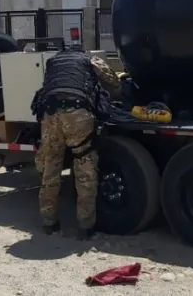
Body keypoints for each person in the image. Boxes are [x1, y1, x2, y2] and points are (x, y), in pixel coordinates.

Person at [31, 46, 123, 240]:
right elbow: (112, 80)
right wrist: (117, 94)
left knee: (51, 167)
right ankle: (85, 226)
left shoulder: (53, 62)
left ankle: (49, 223)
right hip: (77, 114)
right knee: (84, 166)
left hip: (50, 115)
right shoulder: (88, 59)